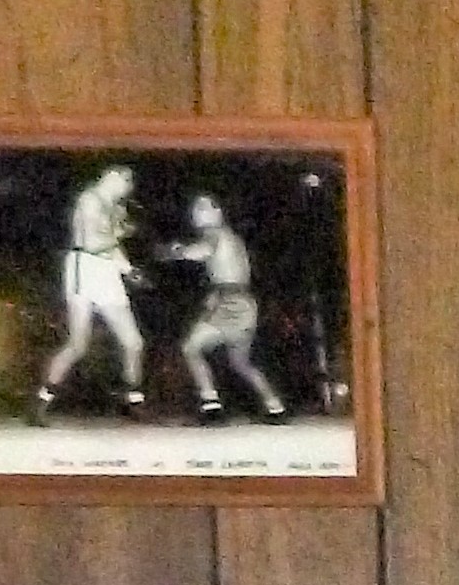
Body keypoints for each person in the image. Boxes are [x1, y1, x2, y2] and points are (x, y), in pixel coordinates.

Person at [161, 192, 287, 418]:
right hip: (241, 302)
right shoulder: (231, 236)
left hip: (233, 303)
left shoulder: (215, 234)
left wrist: (175, 251)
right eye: (195, 209)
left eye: (203, 208)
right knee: (240, 363)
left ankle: (211, 402)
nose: (197, 214)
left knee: (191, 348)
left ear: (218, 212)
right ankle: (275, 405)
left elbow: (201, 252)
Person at [35, 162, 146, 413]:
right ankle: (43, 399)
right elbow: (92, 243)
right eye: (125, 181)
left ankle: (133, 400)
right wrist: (123, 232)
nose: (127, 189)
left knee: (133, 342)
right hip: (83, 267)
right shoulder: (89, 200)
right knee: (78, 344)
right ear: (110, 176)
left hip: (107, 271)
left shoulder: (117, 208)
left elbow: (112, 246)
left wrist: (129, 270)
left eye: (129, 184)